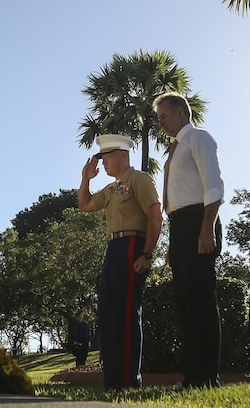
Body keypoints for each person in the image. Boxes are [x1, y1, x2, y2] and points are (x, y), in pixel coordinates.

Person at [78, 134, 163, 390]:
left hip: (132, 247)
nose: (102, 163)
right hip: (113, 249)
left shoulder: (139, 179)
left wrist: (147, 254)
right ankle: (113, 380)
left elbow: (155, 217)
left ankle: (128, 380)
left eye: (106, 157)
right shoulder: (112, 189)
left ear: (122, 156)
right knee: (110, 316)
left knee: (126, 315)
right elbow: (84, 205)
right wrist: (85, 179)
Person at [154, 92, 225, 389]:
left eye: (164, 116)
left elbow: (213, 186)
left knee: (201, 302)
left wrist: (206, 229)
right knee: (184, 305)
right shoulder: (173, 149)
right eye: (159, 118)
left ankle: (209, 376)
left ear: (182, 112)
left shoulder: (198, 138)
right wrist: (172, 244)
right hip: (179, 227)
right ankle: (193, 375)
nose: (162, 123)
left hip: (199, 220)